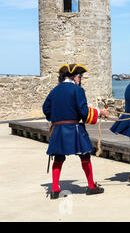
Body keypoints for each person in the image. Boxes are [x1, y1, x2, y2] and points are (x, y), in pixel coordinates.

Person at [43, 64, 109, 199]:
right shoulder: (78, 90)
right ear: (74, 77)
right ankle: (91, 186)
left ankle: (55, 189)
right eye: (79, 76)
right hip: (75, 129)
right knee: (85, 156)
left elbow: (46, 109)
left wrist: (56, 120)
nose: (80, 79)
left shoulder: (54, 91)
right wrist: (99, 112)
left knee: (58, 157)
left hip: (58, 129)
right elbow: (84, 113)